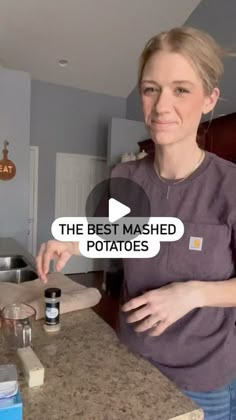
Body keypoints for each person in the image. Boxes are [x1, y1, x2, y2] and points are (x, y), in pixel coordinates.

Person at [36, 27, 236, 419]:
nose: (162, 105)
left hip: (203, 380)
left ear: (209, 99)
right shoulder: (125, 176)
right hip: (130, 358)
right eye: (150, 89)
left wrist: (191, 293)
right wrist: (72, 242)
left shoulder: (230, 185)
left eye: (181, 89)